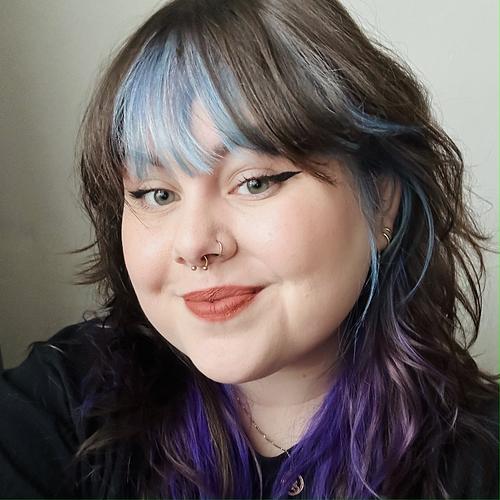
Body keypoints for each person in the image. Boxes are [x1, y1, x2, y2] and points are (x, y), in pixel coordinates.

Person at [1, 0, 498, 498]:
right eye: (157, 194)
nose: (194, 244)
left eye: (255, 182)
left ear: (381, 200)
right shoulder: (62, 403)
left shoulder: (479, 462)